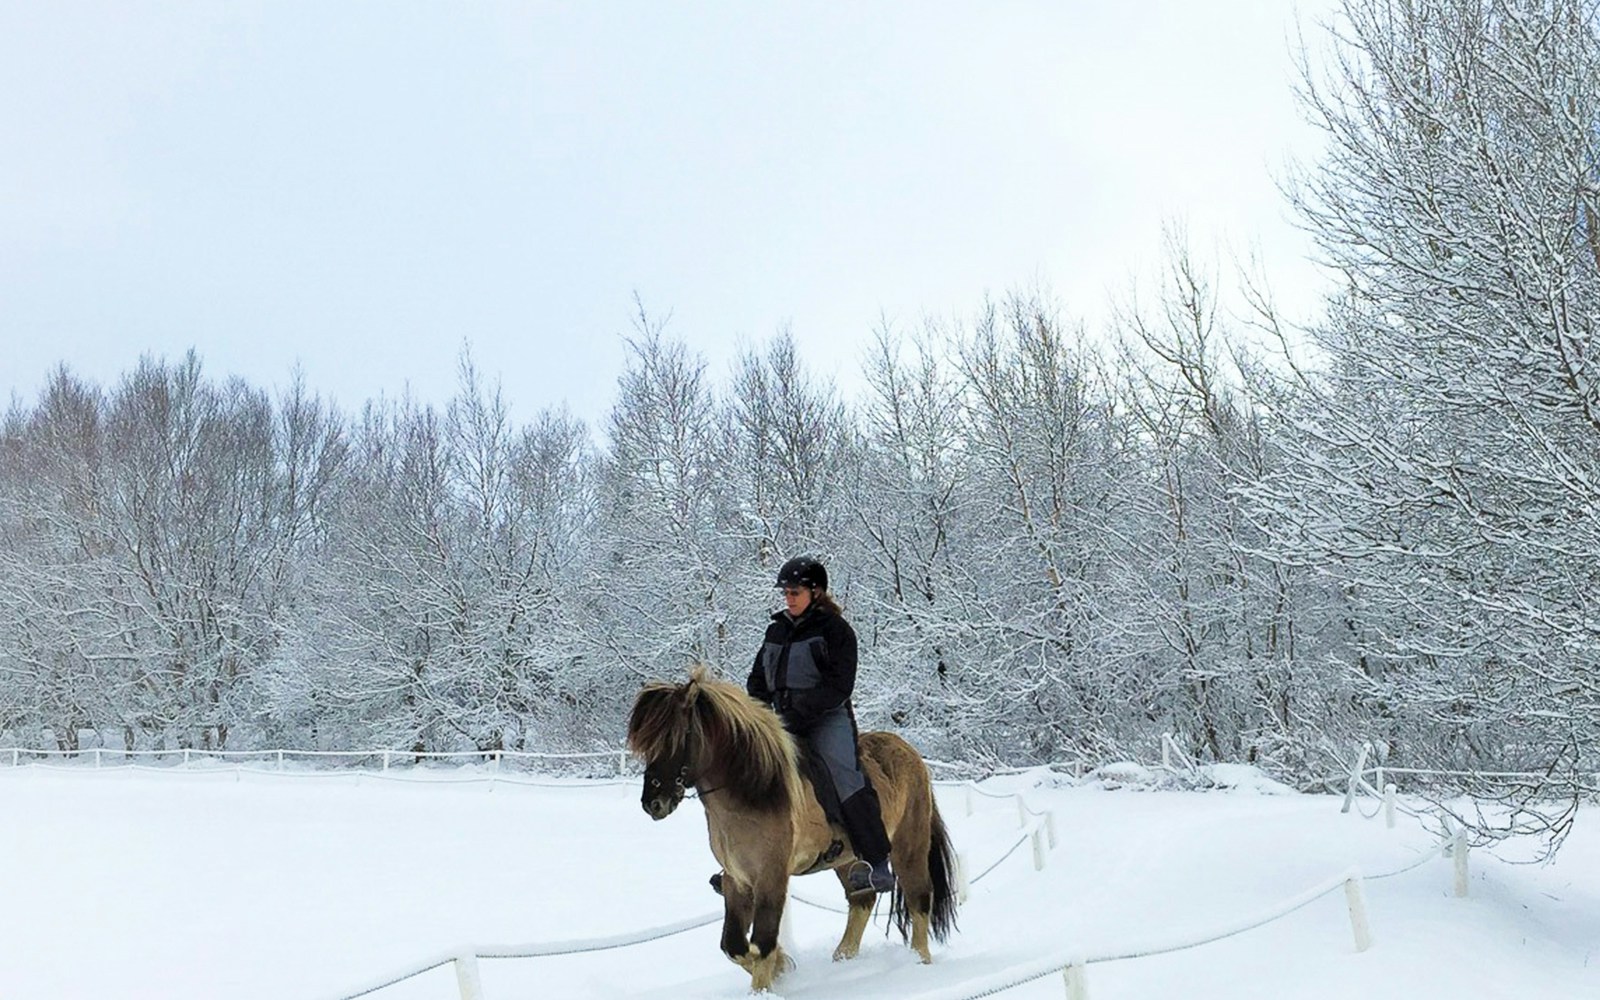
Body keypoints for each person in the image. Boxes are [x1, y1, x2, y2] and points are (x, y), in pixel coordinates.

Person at [747, 555, 895, 894]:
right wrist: (759, 714)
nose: (789, 598)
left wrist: (800, 713)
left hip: (826, 718)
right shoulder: (776, 631)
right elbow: (757, 680)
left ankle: (877, 862)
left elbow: (839, 685)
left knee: (844, 774)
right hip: (781, 719)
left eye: (795, 592)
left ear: (816, 592)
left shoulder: (836, 631)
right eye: (786, 592)